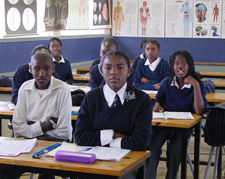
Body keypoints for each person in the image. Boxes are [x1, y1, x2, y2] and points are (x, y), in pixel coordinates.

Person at [0, 52, 72, 179]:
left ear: (53, 69)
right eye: (37, 69)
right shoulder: (25, 88)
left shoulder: (62, 89)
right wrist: (47, 125)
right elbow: (18, 128)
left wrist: (31, 127)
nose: (42, 74)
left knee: (46, 172)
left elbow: (63, 132)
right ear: (30, 69)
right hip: (27, 143)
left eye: (47, 69)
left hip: (56, 143)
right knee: (4, 169)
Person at [75, 49, 153, 163]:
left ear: (129, 71)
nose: (113, 72)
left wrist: (104, 140)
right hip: (94, 161)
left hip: (128, 162)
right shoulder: (91, 97)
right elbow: (81, 138)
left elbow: (140, 142)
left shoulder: (141, 100)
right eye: (108, 68)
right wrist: (114, 135)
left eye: (120, 68)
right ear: (102, 70)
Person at [146, 50, 208, 179]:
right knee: (152, 146)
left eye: (184, 63)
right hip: (164, 124)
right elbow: (159, 100)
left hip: (183, 128)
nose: (180, 66)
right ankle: (149, 176)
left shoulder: (197, 85)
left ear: (190, 66)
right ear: (172, 66)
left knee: (175, 150)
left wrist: (195, 85)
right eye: (177, 63)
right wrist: (157, 105)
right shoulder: (166, 83)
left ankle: (171, 176)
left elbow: (199, 111)